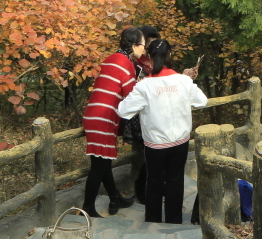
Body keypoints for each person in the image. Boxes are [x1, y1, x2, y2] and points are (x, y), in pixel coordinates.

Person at [118, 39, 205, 224]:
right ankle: (174, 220)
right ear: (170, 56)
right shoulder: (183, 81)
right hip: (180, 142)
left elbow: (123, 110)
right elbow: (201, 101)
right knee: (175, 181)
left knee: (154, 182)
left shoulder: (144, 86)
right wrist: (187, 81)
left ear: (149, 57)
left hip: (155, 145)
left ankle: (153, 220)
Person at [81, 27, 146, 218]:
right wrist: (141, 86)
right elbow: (130, 95)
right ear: (134, 45)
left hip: (94, 113)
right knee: (99, 167)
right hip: (104, 117)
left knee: (103, 162)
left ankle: (115, 197)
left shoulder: (112, 58)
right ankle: (88, 208)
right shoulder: (126, 63)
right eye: (142, 45)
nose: (144, 50)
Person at [126, 26, 161, 203]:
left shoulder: (151, 61)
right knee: (148, 155)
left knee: (152, 155)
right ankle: (143, 191)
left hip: (154, 113)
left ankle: (151, 190)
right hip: (141, 116)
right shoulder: (134, 62)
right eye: (147, 42)